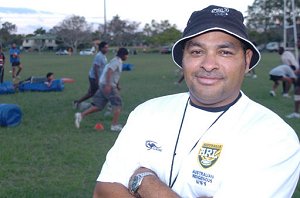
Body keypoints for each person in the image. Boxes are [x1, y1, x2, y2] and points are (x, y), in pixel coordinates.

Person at [92, 5, 300, 198]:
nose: (209, 64)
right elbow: (103, 191)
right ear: (183, 58)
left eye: (225, 52)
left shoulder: (274, 138)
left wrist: (144, 181)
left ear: (246, 61)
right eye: (197, 52)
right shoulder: (147, 112)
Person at [75, 47, 129, 132]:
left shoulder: (116, 60)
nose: (127, 57)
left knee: (98, 106)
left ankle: (81, 115)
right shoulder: (117, 61)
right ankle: (114, 126)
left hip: (104, 84)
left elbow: (114, 74)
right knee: (118, 104)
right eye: (127, 55)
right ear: (123, 55)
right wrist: (108, 85)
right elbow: (109, 71)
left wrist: (117, 85)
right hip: (108, 86)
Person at [73, 41, 109, 109]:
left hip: (97, 77)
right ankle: (79, 103)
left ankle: (78, 102)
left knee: (91, 93)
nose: (107, 49)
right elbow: (95, 68)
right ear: (101, 48)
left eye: (107, 47)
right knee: (94, 92)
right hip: (94, 78)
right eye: (105, 48)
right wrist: (97, 80)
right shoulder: (99, 56)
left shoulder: (103, 55)